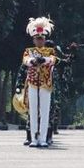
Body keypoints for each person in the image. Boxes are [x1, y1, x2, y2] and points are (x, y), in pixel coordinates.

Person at [20, 17, 58, 148]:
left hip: (45, 84)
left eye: (42, 38)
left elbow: (53, 59)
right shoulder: (29, 51)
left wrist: (44, 60)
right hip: (32, 83)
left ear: (45, 39)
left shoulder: (50, 51)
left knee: (45, 111)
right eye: (37, 38)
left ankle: (42, 138)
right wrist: (33, 61)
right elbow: (25, 60)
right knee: (33, 112)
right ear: (34, 39)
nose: (40, 40)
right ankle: (33, 139)